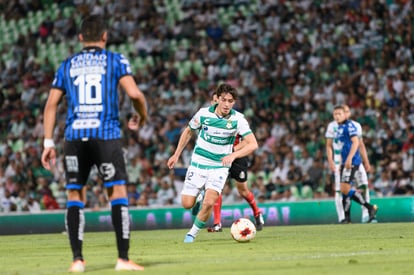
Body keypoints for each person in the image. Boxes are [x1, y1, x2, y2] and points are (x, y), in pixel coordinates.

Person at [41, 15, 147, 272]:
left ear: (80, 38)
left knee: (75, 194)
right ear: (105, 36)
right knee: (117, 193)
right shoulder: (115, 60)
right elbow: (134, 93)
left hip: (74, 137)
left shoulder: (66, 65)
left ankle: (77, 260)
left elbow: (51, 105)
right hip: (106, 134)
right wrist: (141, 115)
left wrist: (48, 142)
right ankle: (123, 259)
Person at [167, 83, 258, 243]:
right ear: (217, 100)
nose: (227, 104)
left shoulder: (238, 119)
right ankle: (199, 198)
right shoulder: (203, 114)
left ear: (234, 102)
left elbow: (253, 143)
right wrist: (176, 154)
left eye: (231, 101)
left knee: (210, 202)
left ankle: (191, 234)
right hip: (198, 163)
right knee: (187, 204)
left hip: (219, 167)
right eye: (224, 100)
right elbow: (188, 131)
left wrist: (233, 155)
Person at [207, 90, 264, 232]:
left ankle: (257, 213)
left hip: (237, 157)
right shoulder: (207, 119)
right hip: (219, 159)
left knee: (243, 191)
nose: (218, 104)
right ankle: (217, 223)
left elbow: (248, 141)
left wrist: (232, 151)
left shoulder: (236, 119)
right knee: (216, 188)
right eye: (215, 101)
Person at [325, 105, 372, 223]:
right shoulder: (336, 127)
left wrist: (353, 159)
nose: (337, 116)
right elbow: (331, 145)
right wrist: (332, 160)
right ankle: (346, 217)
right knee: (343, 189)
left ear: (347, 114)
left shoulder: (351, 125)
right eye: (335, 114)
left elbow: (357, 143)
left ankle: (368, 211)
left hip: (351, 161)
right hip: (343, 161)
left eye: (340, 113)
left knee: (350, 188)